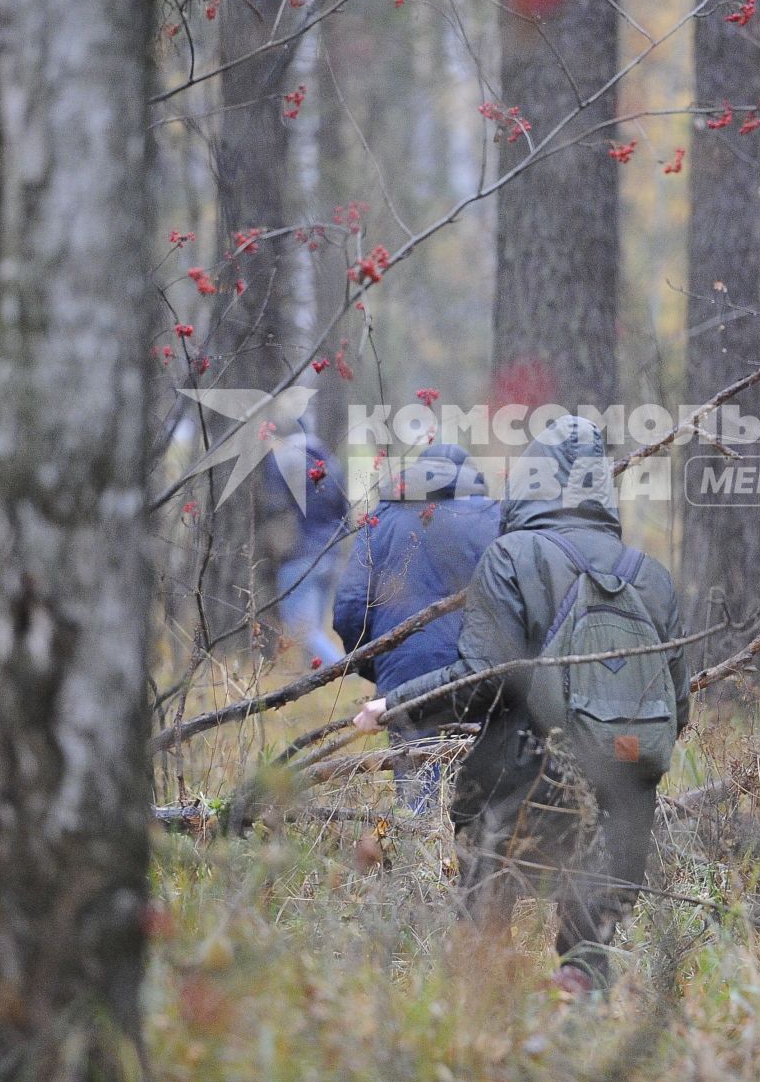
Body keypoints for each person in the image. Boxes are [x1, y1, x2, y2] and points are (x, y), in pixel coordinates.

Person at [352, 417, 688, 993]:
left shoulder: (513, 557)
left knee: (485, 926)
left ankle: (487, 1025)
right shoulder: (651, 576)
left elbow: (483, 680)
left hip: (523, 787)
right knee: (588, 946)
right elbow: (677, 708)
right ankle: (580, 1002)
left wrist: (393, 705)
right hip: (627, 793)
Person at [332, 443, 499, 811]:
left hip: (404, 675)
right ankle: (467, 861)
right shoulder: (493, 518)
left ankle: (420, 858)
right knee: (474, 793)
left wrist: (379, 665)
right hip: (475, 672)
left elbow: (349, 608)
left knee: (418, 797)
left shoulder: (384, 519)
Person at [259, 427, 350, 665]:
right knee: (315, 631)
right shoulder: (330, 462)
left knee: (303, 631)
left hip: (300, 557)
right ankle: (319, 689)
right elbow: (345, 512)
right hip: (332, 553)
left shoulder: (281, 459)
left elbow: (274, 507)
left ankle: (345, 673)